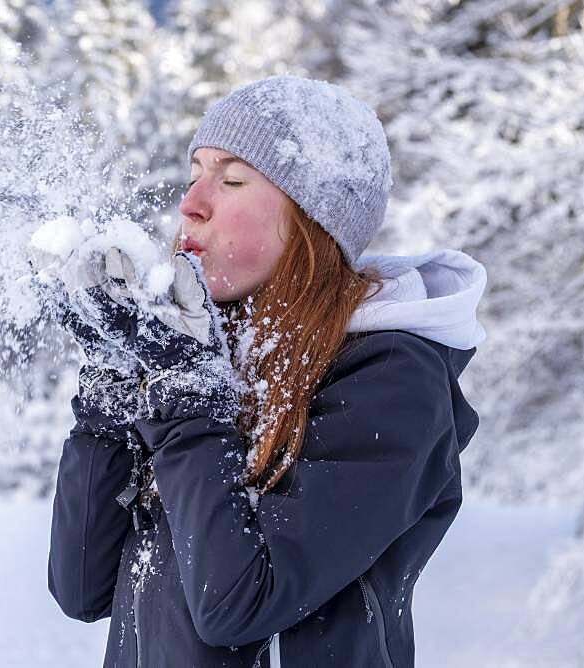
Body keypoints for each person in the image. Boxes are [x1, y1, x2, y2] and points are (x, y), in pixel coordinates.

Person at [45, 75, 487, 667]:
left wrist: (183, 394)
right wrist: (115, 386)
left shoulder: (390, 380)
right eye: (195, 173)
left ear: (313, 222)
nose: (191, 204)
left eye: (231, 180)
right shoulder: (202, 359)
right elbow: (81, 587)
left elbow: (238, 604)